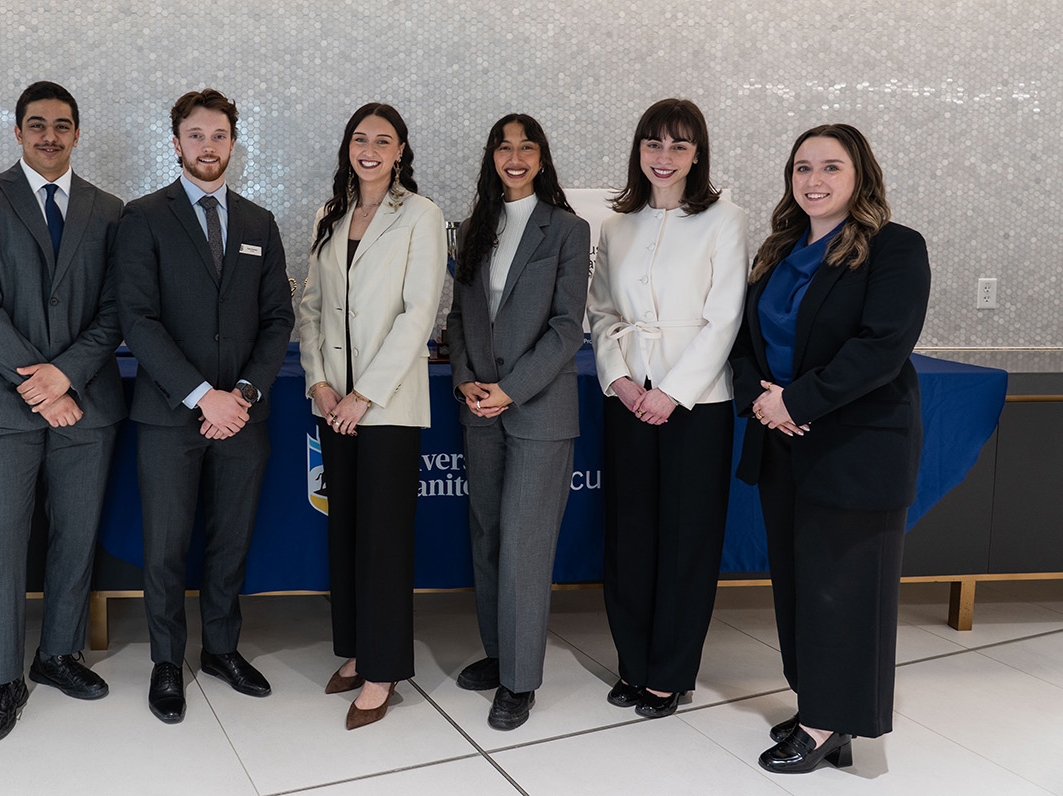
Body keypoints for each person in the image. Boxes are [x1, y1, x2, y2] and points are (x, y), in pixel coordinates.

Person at [730, 124, 929, 773]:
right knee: (797, 588)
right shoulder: (777, 249)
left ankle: (828, 725)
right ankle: (815, 700)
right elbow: (743, 343)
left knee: (846, 589)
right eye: (802, 167)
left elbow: (881, 345)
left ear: (860, 175)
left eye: (830, 167)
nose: (813, 180)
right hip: (782, 444)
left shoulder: (894, 248)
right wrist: (762, 403)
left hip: (855, 447)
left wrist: (797, 401)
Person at [0, 81, 126, 743]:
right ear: (18, 132)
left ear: (77, 133)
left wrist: (65, 377)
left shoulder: (109, 211)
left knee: (73, 539)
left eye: (61, 125)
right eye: (36, 124)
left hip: (86, 404)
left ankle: (57, 655)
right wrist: (38, 384)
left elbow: (116, 311)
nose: (49, 135)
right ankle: (2, 679)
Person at [115, 88, 295, 724]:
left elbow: (278, 320)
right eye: (196, 135)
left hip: (243, 416)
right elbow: (137, 319)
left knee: (230, 539)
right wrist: (201, 395)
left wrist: (241, 395)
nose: (208, 146)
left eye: (219, 135)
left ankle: (221, 648)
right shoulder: (142, 217)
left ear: (233, 143)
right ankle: (169, 661)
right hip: (170, 414)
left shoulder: (258, 223)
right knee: (165, 545)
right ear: (177, 143)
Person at [585, 98, 748, 719]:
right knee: (630, 536)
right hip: (628, 397)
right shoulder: (616, 224)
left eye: (679, 146)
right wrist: (622, 382)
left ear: (697, 154)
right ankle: (634, 663)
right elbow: (601, 314)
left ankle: (671, 672)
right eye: (654, 144)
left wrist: (672, 393)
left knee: (685, 541)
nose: (665, 157)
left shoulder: (723, 219)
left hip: (695, 404)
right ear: (639, 151)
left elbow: (725, 316)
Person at [297, 103, 446, 730]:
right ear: (347, 148)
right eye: (361, 138)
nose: (370, 149)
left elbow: (420, 314)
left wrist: (366, 394)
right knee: (347, 532)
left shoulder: (421, 215)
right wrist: (322, 384)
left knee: (383, 540)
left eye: (383, 141)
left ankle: (383, 671)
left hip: (386, 407)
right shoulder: (329, 216)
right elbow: (308, 306)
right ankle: (358, 651)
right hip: (335, 405)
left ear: (401, 151)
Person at [447, 114, 589, 730]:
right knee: (488, 536)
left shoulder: (568, 229)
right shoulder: (473, 228)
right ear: (491, 158)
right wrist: (465, 380)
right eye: (503, 147)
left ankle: (521, 680)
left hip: (537, 409)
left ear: (541, 157)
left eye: (525, 147)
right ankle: (500, 652)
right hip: (479, 406)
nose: (514, 156)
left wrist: (510, 389)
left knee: (525, 546)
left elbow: (566, 328)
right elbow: (459, 316)